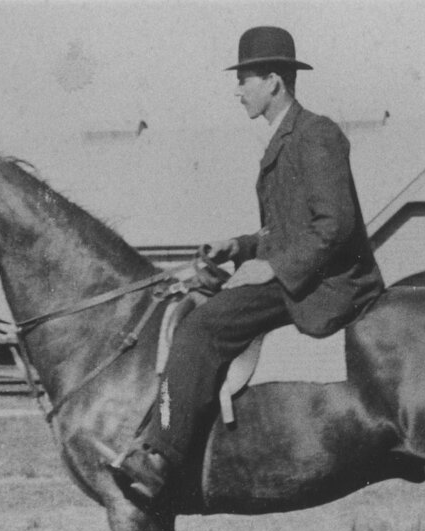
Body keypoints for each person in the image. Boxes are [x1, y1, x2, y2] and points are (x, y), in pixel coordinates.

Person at [108, 25, 385, 499]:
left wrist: (273, 268)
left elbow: (335, 225)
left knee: (200, 327)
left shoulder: (316, 134)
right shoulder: (284, 138)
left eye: (244, 80)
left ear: (273, 82)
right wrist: (237, 247)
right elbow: (284, 231)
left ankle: (160, 456)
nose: (237, 91)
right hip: (302, 271)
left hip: (328, 284)